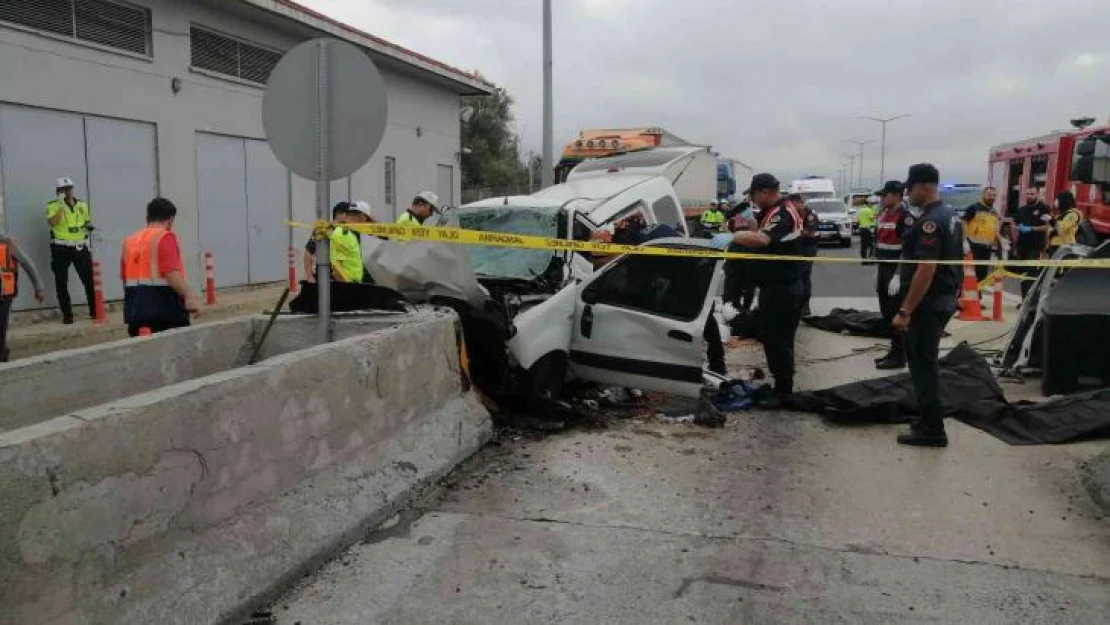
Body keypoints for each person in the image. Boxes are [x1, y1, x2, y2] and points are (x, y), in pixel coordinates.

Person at [892, 164, 962, 448]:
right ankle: (925, 419)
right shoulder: (951, 215)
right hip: (943, 298)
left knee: (923, 365)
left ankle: (932, 429)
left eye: (911, 188)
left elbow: (926, 269)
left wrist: (905, 310)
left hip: (929, 303)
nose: (908, 193)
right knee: (924, 362)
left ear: (924, 186)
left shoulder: (931, 221)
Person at [732, 173, 806, 407]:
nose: (753, 200)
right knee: (772, 336)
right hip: (774, 286)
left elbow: (763, 241)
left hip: (783, 287)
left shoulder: (782, 212)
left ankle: (784, 391)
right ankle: (781, 384)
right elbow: (763, 234)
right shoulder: (773, 211)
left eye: (753, 195)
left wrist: (732, 237)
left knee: (779, 339)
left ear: (764, 192)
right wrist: (748, 224)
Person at [120, 198, 200, 337]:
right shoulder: (164, 237)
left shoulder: (129, 241)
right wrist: (189, 295)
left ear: (148, 218)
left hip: (135, 313)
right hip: (165, 313)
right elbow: (172, 275)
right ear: (170, 219)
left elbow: (125, 278)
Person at [872, 181, 915, 370]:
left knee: (895, 312)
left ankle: (900, 355)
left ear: (897, 195)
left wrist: (898, 274)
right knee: (886, 312)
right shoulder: (884, 215)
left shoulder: (905, 218)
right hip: (883, 268)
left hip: (896, 271)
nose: (882, 199)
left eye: (885, 195)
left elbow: (909, 249)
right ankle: (894, 350)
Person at [45, 176, 95, 324]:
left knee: (88, 279)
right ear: (58, 191)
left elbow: (85, 222)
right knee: (61, 281)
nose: (68, 191)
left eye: (70, 188)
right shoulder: (52, 206)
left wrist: (88, 228)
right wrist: (61, 205)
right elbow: (53, 223)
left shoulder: (82, 205)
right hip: (60, 247)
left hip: (79, 246)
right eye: (64, 189)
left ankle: (94, 310)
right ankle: (67, 315)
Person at [1, 233, 46, 362]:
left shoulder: (8, 244)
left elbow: (27, 264)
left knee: (1, 325)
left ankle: (2, 352)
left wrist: (39, 288)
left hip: (4, 294)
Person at [1014, 188, 1051, 298]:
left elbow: (1047, 226)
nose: (1029, 196)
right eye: (1028, 194)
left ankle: (1030, 300)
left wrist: (1032, 228)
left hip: (1036, 246)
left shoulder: (1044, 209)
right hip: (1022, 245)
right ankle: (1023, 299)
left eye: (1032, 194)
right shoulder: (1021, 210)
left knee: (1031, 274)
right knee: (1023, 275)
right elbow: (1015, 223)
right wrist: (1018, 227)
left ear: (1037, 195)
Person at [962, 187, 1002, 285]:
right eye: (989, 195)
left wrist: (1001, 242)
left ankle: (977, 297)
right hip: (973, 247)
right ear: (983, 195)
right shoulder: (974, 208)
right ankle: (963, 297)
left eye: (994, 195)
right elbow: (963, 222)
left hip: (986, 249)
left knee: (982, 276)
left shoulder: (994, 212)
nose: (992, 197)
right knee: (970, 275)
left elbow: (995, 230)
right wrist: (964, 241)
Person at [303, 202, 350, 283]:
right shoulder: (324, 229)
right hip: (324, 276)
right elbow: (308, 252)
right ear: (339, 214)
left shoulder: (348, 230)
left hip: (344, 277)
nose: (351, 217)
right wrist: (309, 276)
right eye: (349, 214)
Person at [789, 193, 819, 317]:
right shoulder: (794, 214)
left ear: (799, 202)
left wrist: (795, 233)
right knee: (798, 277)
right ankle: (798, 305)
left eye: (792, 204)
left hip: (808, 248)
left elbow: (810, 231)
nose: (791, 207)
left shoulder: (810, 214)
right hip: (797, 248)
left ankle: (805, 307)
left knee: (804, 277)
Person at [1047, 190, 1082, 256]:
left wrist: (1052, 220)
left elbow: (1062, 228)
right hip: (1054, 244)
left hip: (1065, 246)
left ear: (1063, 200)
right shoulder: (1061, 214)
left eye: (1057, 199)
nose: (1056, 202)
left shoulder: (1073, 214)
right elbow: (1051, 229)